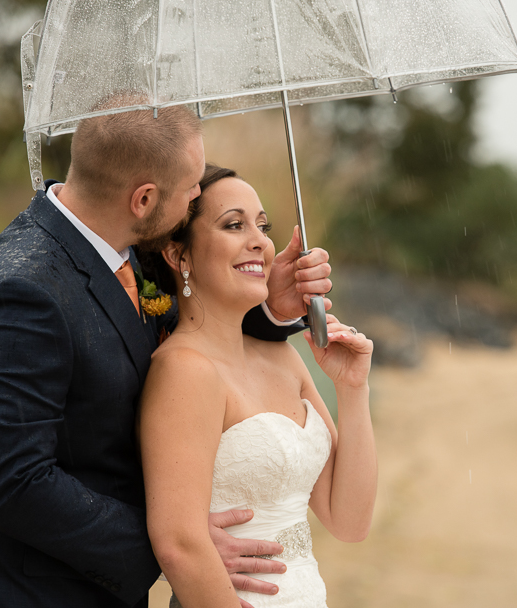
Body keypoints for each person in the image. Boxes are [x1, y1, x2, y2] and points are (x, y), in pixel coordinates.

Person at [0, 105, 333, 608]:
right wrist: (175, 544)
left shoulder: (122, 248)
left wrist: (272, 307)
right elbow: (13, 484)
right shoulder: (21, 293)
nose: (199, 195)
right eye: (191, 186)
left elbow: (191, 314)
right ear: (144, 199)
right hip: (18, 593)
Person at [137, 164, 377, 608]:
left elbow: (349, 521)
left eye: (262, 226)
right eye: (234, 224)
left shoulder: (283, 357)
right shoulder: (183, 370)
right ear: (178, 256)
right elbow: (180, 546)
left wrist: (352, 388)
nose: (261, 242)